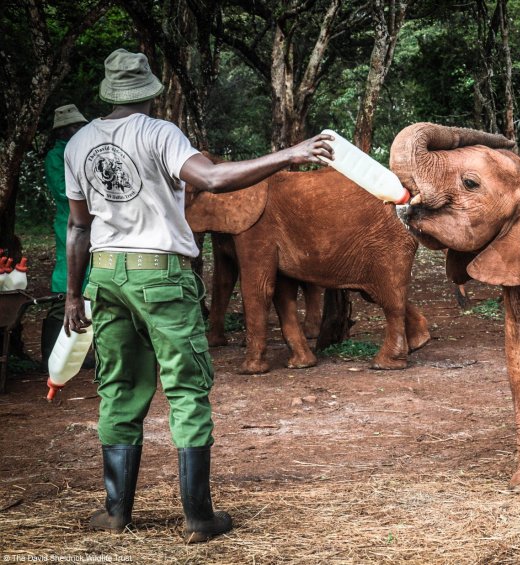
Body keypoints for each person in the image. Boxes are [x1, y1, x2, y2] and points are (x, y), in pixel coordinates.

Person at [63, 48, 333, 543]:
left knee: (118, 388)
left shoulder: (78, 143)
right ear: (148, 91)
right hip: (160, 275)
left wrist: (71, 295)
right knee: (185, 388)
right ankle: (197, 516)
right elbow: (210, 178)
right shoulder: (159, 133)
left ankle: (116, 511)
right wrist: (290, 154)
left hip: (104, 276)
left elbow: (78, 228)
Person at [42, 104, 92, 367]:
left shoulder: (80, 150)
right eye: (74, 127)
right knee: (68, 271)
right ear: (63, 131)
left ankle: (82, 352)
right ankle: (51, 349)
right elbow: (63, 192)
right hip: (68, 219)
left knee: (87, 276)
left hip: (87, 218)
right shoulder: (55, 156)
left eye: (80, 126)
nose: (78, 130)